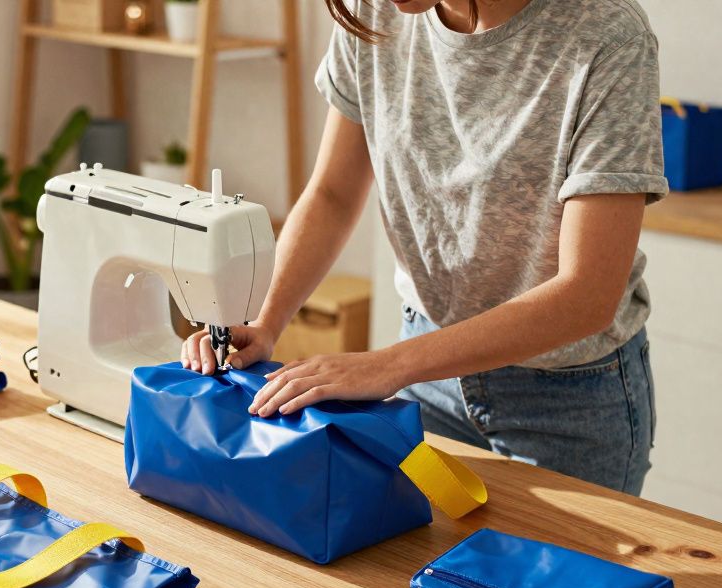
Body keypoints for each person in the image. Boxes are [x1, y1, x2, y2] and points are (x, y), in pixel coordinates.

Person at [180, 0, 666, 495]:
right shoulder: (373, 10)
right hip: (426, 371)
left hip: (567, 398)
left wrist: (386, 365)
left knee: (559, 573)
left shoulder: (607, 35)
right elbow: (333, 194)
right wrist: (265, 319)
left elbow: (587, 295)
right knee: (406, 567)